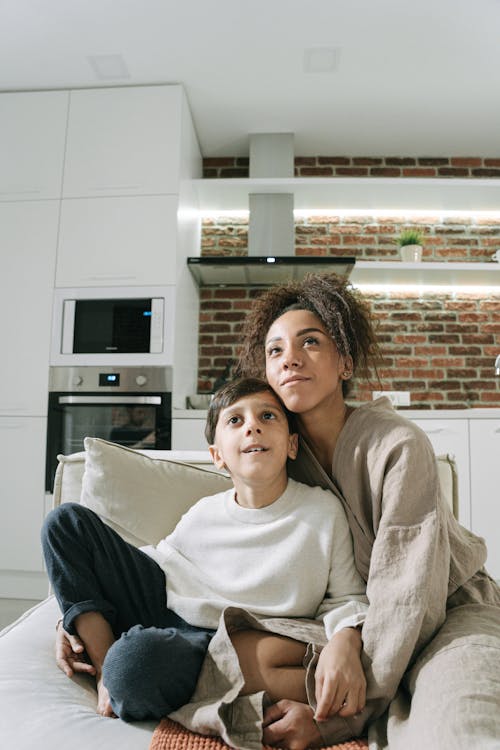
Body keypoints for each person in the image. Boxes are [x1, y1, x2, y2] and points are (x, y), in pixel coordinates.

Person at [236, 272, 500, 750]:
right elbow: (217, 540)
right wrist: (84, 616)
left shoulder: (397, 444)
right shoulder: (279, 456)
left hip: (448, 609)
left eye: (310, 342)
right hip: (351, 620)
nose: (290, 358)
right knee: (223, 655)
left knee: (460, 722)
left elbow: (409, 595)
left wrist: (338, 719)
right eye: (275, 351)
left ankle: (380, 702)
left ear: (345, 363)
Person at [45, 377, 368, 742]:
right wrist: (69, 618)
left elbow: (347, 598)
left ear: (292, 444)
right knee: (65, 522)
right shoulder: (204, 511)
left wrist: (346, 638)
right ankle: (103, 666)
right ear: (218, 455)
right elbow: (160, 561)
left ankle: (119, 666)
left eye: (267, 416)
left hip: (214, 643)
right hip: (166, 600)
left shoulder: (323, 510)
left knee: (134, 667)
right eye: (235, 420)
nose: (253, 426)